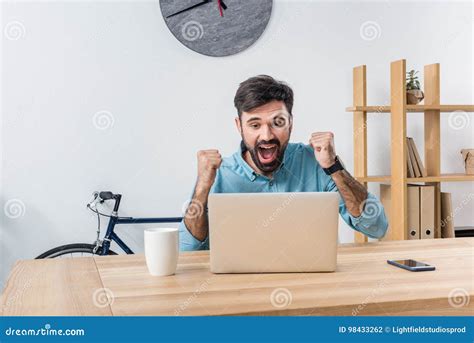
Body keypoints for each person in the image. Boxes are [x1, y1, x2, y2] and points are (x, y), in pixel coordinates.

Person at [179, 75, 388, 250]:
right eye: (254, 125)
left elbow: (376, 227)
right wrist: (202, 187)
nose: (267, 135)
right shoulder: (219, 174)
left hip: (311, 288)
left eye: (277, 123)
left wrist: (334, 167)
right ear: (239, 126)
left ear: (291, 123)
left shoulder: (317, 163)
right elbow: (187, 251)